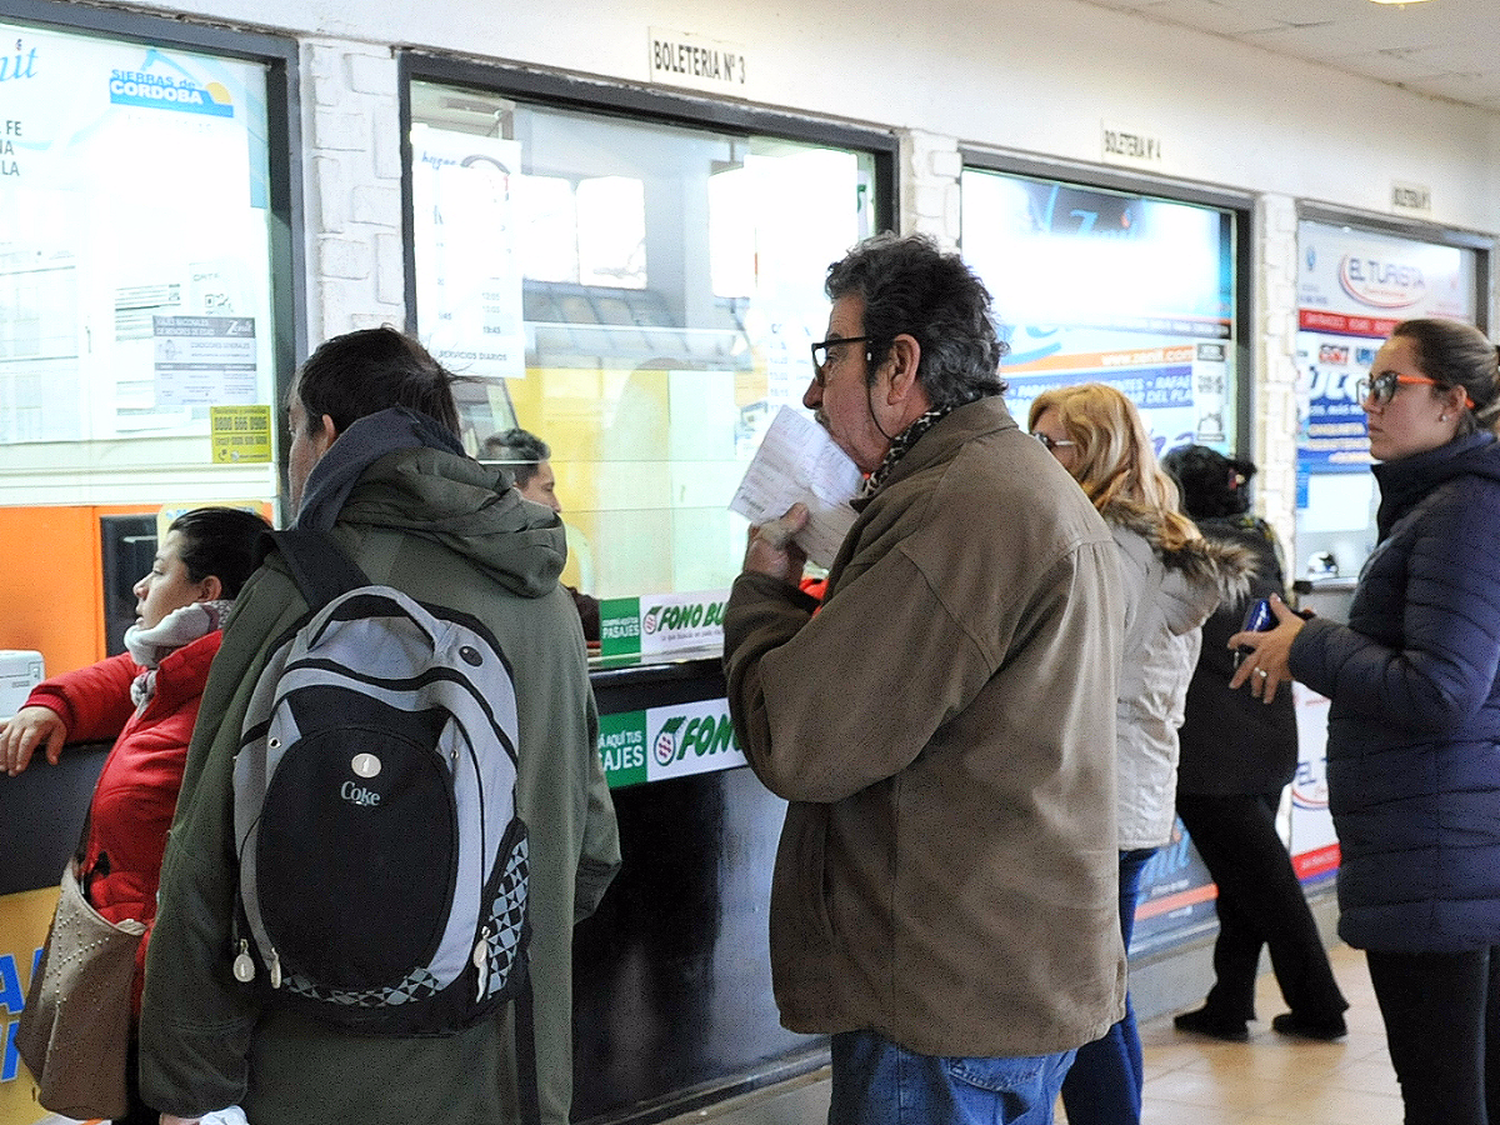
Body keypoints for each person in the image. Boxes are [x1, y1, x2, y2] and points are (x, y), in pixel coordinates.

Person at [138, 327, 621, 1125]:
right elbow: (591, 848)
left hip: (318, 1078)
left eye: (293, 428)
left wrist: (187, 1083)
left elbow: (204, 857)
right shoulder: (544, 598)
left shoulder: (293, 590)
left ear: (324, 434)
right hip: (508, 1072)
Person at [722, 233, 1128, 1125]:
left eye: (830, 358)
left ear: (899, 367)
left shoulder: (956, 506)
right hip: (1004, 972)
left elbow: (801, 741)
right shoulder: (1017, 482)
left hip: (943, 1002)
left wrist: (762, 589)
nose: (812, 392)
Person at [1231, 318, 1500, 1125]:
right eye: (1366, 384)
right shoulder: (1447, 502)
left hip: (1439, 856)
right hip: (1442, 845)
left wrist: (1310, 643)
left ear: (1453, 403)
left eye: (1389, 386)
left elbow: (1441, 689)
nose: (1368, 403)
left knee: (1444, 1098)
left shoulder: (1461, 511)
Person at [0, 505, 270, 1125]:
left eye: (158, 569)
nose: (139, 587)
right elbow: (124, 675)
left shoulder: (223, 685)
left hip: (161, 984)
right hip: (138, 975)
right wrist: (57, 705)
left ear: (206, 593)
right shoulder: (176, 671)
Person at [1029, 385, 1247, 1125]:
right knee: (1102, 992)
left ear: (1095, 451)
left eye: (1050, 444)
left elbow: (1078, 662)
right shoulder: (1152, 538)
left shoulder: (1111, 546)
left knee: (1083, 1002)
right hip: (1125, 794)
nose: (1037, 459)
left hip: (1097, 796)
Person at [1160, 444, 1348, 1043]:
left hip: (1214, 754)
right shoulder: (1261, 546)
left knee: (1264, 885)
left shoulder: (1190, 561)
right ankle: (1230, 999)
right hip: (1266, 741)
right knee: (1248, 880)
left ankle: (1319, 1005)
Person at [481, 427, 601, 643]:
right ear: (513, 492)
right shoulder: (507, 565)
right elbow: (568, 611)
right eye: (548, 489)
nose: (557, 505)